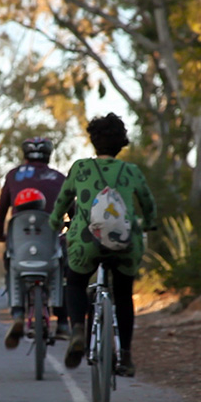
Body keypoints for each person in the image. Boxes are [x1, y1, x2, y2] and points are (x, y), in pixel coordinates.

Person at [48, 113, 156, 377]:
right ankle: (126, 356)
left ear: (93, 141)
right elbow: (149, 204)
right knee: (123, 294)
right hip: (124, 244)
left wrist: (54, 223)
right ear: (121, 143)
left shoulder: (80, 168)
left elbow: (62, 201)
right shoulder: (131, 171)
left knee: (75, 282)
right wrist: (149, 223)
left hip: (86, 243)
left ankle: (77, 329)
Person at [0, 137, 71, 350]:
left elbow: (1, 210)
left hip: (20, 246)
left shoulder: (13, 175)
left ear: (25, 154)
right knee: (62, 271)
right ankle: (63, 323)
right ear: (49, 155)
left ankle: (18, 313)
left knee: (12, 265)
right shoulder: (59, 178)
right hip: (50, 246)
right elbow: (72, 211)